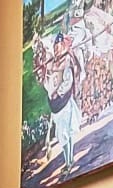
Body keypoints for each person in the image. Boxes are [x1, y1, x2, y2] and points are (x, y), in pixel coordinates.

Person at [37, 33, 83, 172]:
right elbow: (50, 85)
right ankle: (69, 160)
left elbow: (68, 81)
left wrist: (59, 92)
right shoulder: (52, 64)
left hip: (64, 103)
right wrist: (45, 79)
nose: (56, 50)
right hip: (56, 105)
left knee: (65, 133)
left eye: (58, 47)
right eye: (55, 48)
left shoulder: (67, 60)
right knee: (62, 133)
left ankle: (69, 162)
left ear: (62, 46)